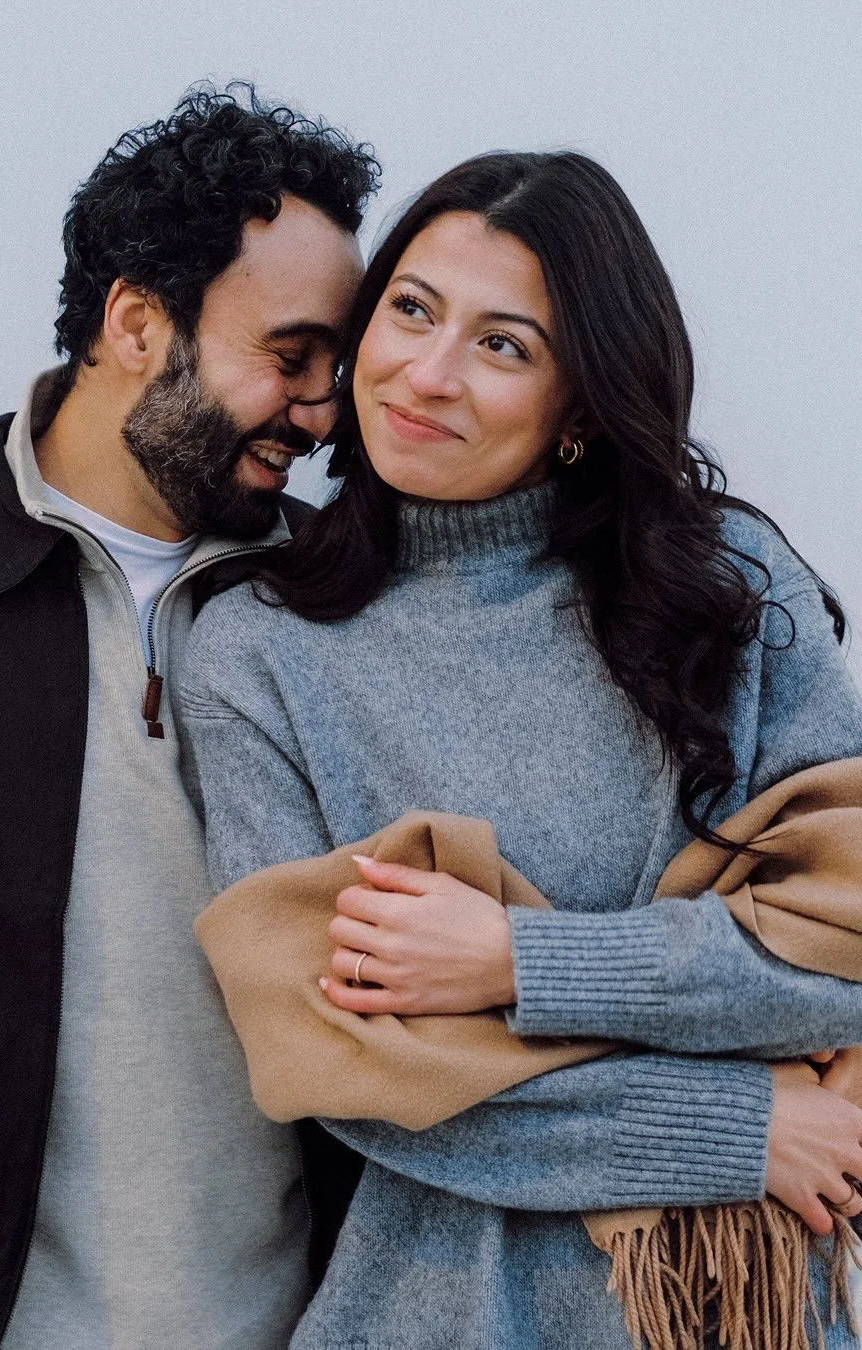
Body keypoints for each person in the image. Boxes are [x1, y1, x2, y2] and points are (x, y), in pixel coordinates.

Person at [178, 150, 862, 1348]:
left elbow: (845, 947)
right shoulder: (259, 649)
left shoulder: (736, 591)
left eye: (505, 345)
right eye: (411, 310)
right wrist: (737, 1125)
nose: (425, 376)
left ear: (583, 406)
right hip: (439, 1314)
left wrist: (521, 966)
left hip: (744, 1311)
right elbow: (337, 1064)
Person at [0, 86, 377, 1349]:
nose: (326, 416)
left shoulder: (349, 603)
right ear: (135, 321)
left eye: (338, 367)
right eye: (290, 357)